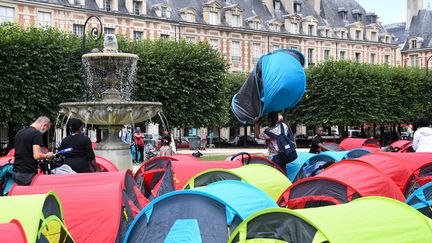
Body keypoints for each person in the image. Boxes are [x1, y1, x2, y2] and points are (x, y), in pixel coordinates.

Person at [13, 116, 54, 185]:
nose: (44, 131)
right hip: (27, 172)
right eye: (46, 129)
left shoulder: (20, 132)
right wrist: (47, 155)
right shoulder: (36, 134)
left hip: (16, 171)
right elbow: (37, 155)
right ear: (43, 125)